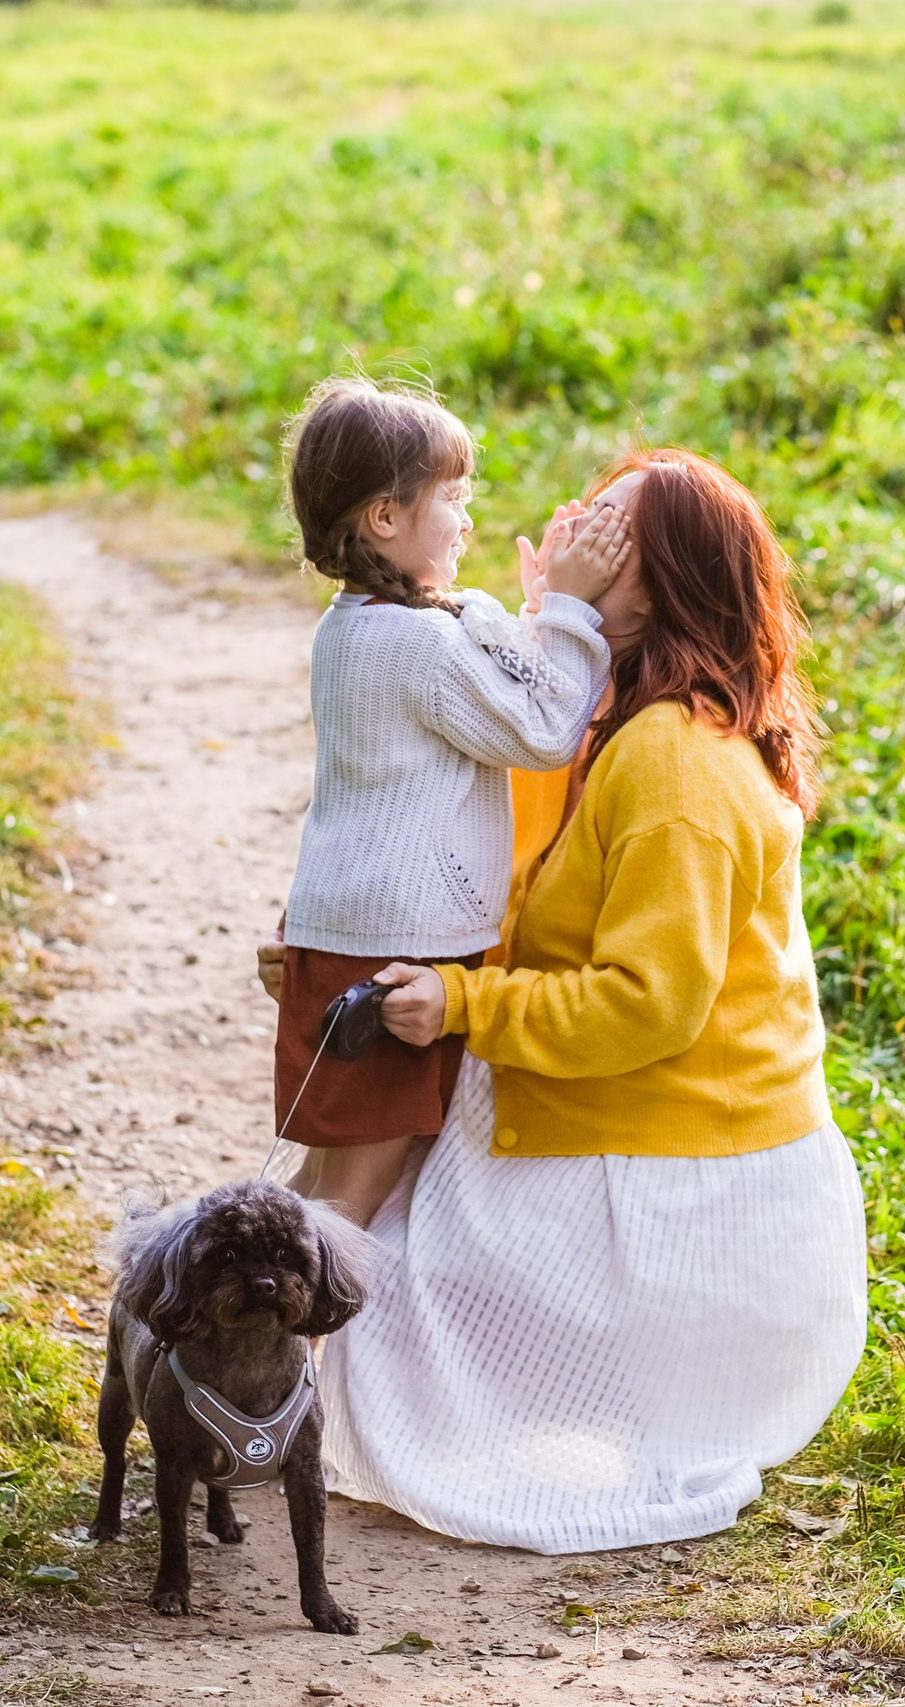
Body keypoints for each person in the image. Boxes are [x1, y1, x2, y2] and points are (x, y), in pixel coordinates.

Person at [314, 448, 869, 1554]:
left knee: (371, 1299)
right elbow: (504, 861)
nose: (572, 526)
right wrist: (548, 621)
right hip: (654, 1148)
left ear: (660, 582)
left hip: (681, 1190)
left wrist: (468, 1006)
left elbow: (643, 1008)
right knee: (351, 1188)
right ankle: (233, 1357)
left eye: (604, 527)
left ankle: (236, 1374)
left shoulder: (673, 761)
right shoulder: (618, 719)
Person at [270, 376, 628, 1228]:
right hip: (396, 957)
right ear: (385, 519)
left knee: (320, 1191)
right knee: (347, 1208)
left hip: (355, 942)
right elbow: (546, 732)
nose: (467, 519)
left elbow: (479, 651)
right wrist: (572, 612)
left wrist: (535, 612)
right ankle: (269, 1355)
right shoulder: (416, 645)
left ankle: (183, 1313)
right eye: (452, 499)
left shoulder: (356, 624)